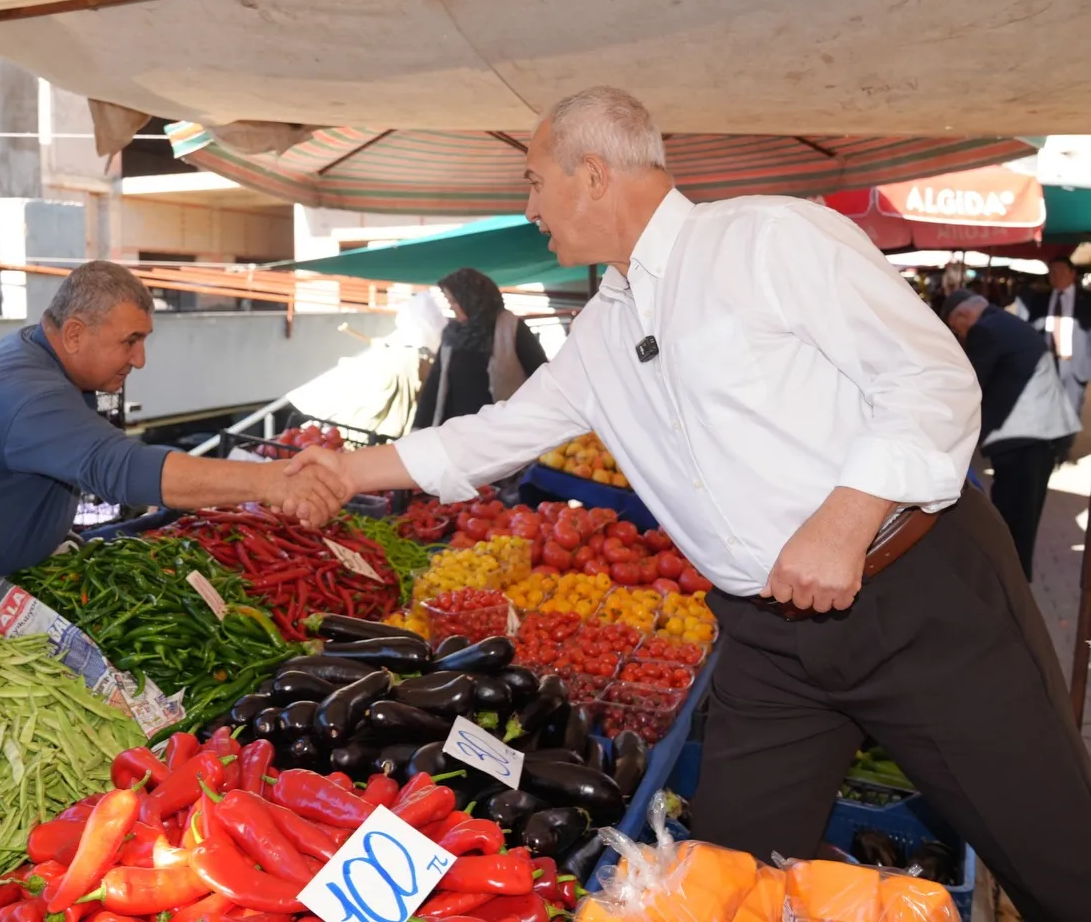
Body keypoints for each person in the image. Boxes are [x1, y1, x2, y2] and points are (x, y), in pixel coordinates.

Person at [292, 87, 1091, 920]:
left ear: (592, 174)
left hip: (916, 596)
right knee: (719, 884)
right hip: (769, 640)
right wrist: (345, 472)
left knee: (1058, 860)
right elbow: (494, 436)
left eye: (533, 182)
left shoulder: (770, 238)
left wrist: (845, 518)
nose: (529, 209)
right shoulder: (602, 329)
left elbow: (932, 378)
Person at [0, 261, 347, 595]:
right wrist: (272, 481)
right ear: (73, 333)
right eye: (130, 341)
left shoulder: (41, 350)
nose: (140, 359)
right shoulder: (31, 394)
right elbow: (121, 468)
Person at [942, 290, 1079, 579]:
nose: (960, 334)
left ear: (963, 316)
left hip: (1022, 440)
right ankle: (1017, 581)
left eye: (956, 328)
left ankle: (1009, 585)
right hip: (1041, 435)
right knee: (1023, 521)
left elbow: (970, 385)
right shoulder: (1005, 321)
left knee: (1009, 522)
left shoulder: (985, 330)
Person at [413, 268, 547, 429]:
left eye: (455, 302)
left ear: (471, 298)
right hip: (457, 431)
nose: (452, 308)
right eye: (450, 302)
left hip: (500, 431)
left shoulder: (510, 328)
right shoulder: (452, 335)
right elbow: (434, 385)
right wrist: (418, 428)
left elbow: (541, 376)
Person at [1017, 255, 1091, 433]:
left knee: (1071, 413)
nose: (1056, 276)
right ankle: (1050, 443)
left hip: (1075, 366)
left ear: (1072, 274)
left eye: (1060, 271)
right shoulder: (1040, 300)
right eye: (1052, 272)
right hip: (1046, 364)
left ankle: (1064, 444)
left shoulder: (1087, 301)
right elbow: (1031, 329)